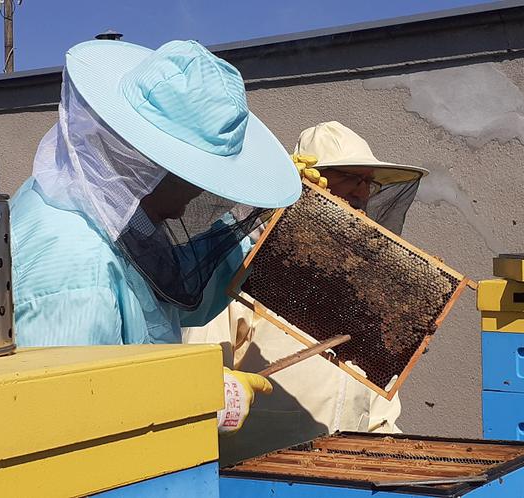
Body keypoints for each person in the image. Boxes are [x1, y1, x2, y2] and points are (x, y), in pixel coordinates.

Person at [9, 39, 303, 434]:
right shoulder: (79, 268)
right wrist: (198, 398)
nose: (203, 192)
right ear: (150, 163)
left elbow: (172, 296)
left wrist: (261, 233)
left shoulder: (87, 203)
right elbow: (61, 422)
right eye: (197, 176)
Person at [182, 121, 429, 463]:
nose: (361, 193)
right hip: (254, 478)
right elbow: (195, 386)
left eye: (368, 182)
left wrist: (399, 461)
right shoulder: (245, 273)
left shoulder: (371, 297)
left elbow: (377, 413)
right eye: (349, 177)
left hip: (345, 477)